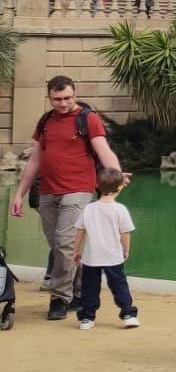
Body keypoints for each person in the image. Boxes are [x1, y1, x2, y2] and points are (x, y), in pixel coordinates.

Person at [9, 75, 124, 322]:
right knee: (60, 247)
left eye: (67, 98)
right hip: (48, 192)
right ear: (49, 97)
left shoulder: (87, 118)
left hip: (78, 190)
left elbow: (104, 151)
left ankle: (59, 298)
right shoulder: (45, 121)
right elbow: (35, 161)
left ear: (75, 94)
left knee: (64, 243)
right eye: (57, 99)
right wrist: (19, 194)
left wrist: (116, 177)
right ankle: (80, 291)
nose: (63, 103)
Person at [72, 167, 139, 329]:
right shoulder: (120, 209)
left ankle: (87, 318)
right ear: (119, 188)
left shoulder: (89, 208)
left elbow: (80, 231)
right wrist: (125, 250)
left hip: (91, 257)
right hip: (113, 256)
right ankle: (128, 314)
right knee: (119, 286)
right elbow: (125, 233)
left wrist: (76, 251)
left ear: (97, 186)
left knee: (89, 288)